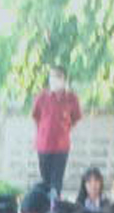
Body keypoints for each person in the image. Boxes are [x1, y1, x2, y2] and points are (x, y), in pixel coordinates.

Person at [32, 67, 81, 196]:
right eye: (52, 76)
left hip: (61, 147)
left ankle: (54, 209)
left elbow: (75, 117)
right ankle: (44, 208)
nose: (55, 80)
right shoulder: (42, 97)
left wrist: (65, 129)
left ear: (64, 79)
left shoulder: (71, 98)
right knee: (45, 182)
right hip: (43, 146)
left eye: (58, 76)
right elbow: (36, 117)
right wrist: (43, 131)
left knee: (56, 183)